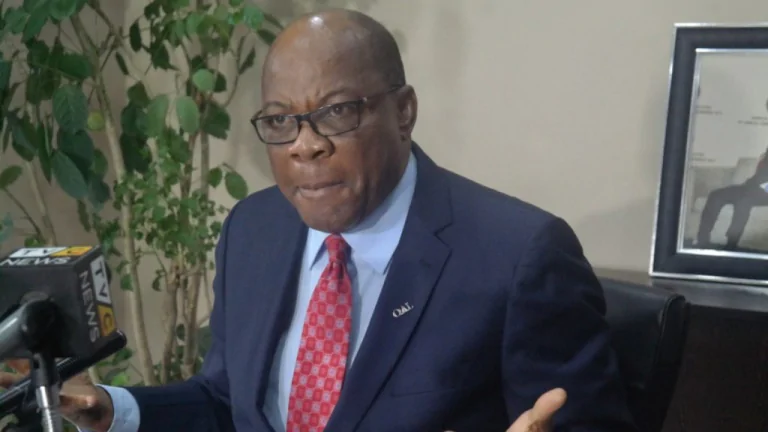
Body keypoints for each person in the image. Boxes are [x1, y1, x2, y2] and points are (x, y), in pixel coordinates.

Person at [0, 9, 637, 432]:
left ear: (404, 111)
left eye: (336, 113)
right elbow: (227, 402)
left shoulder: (518, 256)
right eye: (280, 121)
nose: (305, 146)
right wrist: (113, 409)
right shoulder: (253, 230)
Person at [696, 146, 768, 250]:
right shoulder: (764, 160)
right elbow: (757, 178)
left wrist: (761, 187)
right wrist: (751, 185)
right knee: (715, 195)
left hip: (764, 193)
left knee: (743, 202)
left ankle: (732, 242)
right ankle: (702, 238)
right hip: (749, 188)